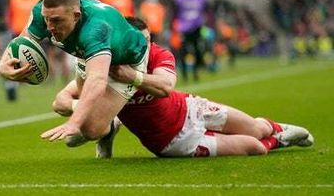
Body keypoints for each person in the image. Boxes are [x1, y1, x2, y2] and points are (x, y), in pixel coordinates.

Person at [50, 17, 313, 158]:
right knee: (254, 147)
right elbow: (61, 100)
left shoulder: (158, 54)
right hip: (174, 142)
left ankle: (280, 131)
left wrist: (134, 77)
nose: (142, 48)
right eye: (136, 43)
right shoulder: (106, 66)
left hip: (189, 108)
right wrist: (86, 107)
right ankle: (275, 142)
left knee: (257, 128)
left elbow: (165, 86)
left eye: (147, 41)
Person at [0, 0, 149, 144]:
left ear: (76, 16)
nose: (49, 27)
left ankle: (111, 122)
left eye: (56, 21)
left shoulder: (96, 29)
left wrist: (74, 122)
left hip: (126, 63)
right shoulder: (45, 12)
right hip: (89, 55)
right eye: (46, 19)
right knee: (64, 112)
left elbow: (97, 80)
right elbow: (22, 42)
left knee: (90, 130)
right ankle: (99, 116)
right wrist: (1, 67)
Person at [3, 0, 44, 101]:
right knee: (18, 58)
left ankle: (47, 78)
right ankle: (16, 82)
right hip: (17, 32)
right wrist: (9, 26)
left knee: (41, 57)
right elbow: (9, 14)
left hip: (37, 32)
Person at [173, 0, 208, 81]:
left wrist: (206, 24)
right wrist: (174, 26)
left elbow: (206, 11)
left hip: (197, 27)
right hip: (183, 28)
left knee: (197, 50)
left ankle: (195, 72)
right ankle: (184, 75)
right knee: (183, 52)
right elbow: (174, 12)